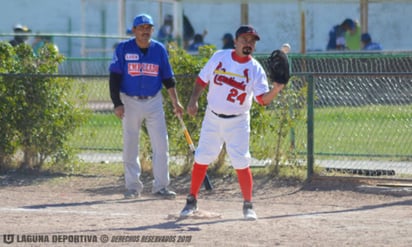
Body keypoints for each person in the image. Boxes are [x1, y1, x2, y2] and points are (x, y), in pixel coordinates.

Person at [180, 25, 286, 220]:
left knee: (241, 161)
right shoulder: (219, 57)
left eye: (252, 41)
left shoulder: (255, 69)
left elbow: (262, 100)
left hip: (238, 122)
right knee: (202, 157)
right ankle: (191, 200)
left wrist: (276, 89)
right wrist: (193, 100)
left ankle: (248, 205)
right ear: (235, 42)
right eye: (245, 39)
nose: (249, 44)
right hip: (212, 117)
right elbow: (202, 80)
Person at [108, 13, 184, 199]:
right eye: (140, 28)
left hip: (154, 100)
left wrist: (176, 101)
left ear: (152, 30)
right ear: (133, 30)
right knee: (131, 143)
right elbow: (114, 78)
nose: (144, 31)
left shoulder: (159, 50)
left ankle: (161, 187)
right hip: (130, 101)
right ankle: (133, 187)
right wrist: (117, 103)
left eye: (148, 27)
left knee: (161, 144)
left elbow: (168, 78)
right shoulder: (124, 49)